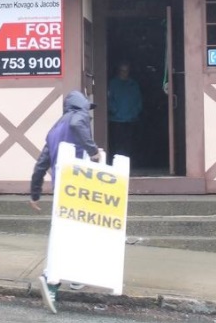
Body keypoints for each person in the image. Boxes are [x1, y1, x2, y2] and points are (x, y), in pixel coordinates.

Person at [29, 90, 101, 314]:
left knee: (68, 229)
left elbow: (41, 164)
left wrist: (35, 193)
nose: (88, 113)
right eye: (87, 108)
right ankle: (52, 279)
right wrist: (94, 151)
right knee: (75, 231)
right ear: (79, 106)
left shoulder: (54, 130)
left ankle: (73, 277)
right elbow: (79, 125)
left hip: (61, 187)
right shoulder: (77, 118)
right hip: (77, 186)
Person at [107, 61, 142, 159]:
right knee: (117, 145)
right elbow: (108, 100)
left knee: (130, 145)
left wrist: (135, 113)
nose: (124, 73)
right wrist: (114, 111)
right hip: (116, 120)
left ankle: (129, 166)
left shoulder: (133, 84)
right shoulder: (113, 84)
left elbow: (138, 101)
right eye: (122, 71)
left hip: (131, 120)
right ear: (118, 71)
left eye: (126, 71)